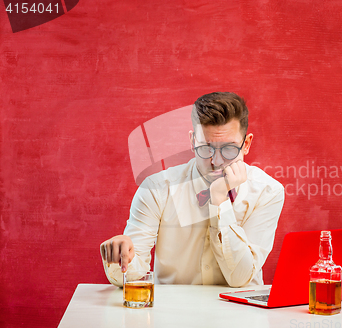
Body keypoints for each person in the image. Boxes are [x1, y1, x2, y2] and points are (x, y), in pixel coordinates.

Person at [100, 92, 285, 287]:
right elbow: (130, 277)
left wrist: (219, 200)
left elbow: (240, 277)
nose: (217, 161)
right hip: (172, 313)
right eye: (206, 148)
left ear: (246, 144)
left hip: (241, 312)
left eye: (229, 149)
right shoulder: (156, 188)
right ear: (192, 141)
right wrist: (121, 257)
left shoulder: (268, 191)